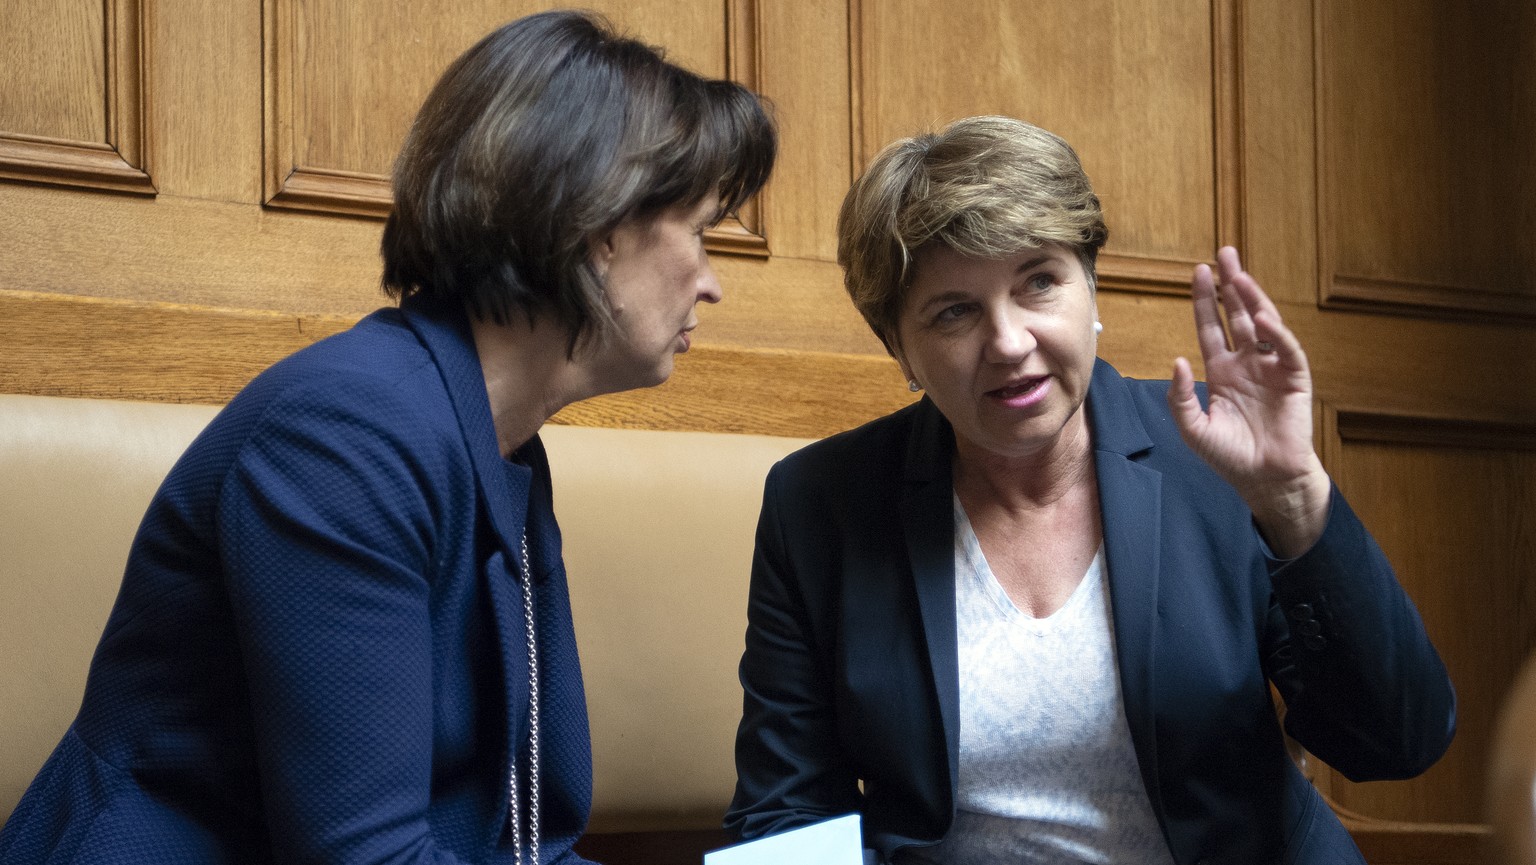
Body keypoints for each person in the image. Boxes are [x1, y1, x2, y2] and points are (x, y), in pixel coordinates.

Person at [0, 11, 774, 864]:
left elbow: (521, 841)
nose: (712, 284)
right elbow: (364, 855)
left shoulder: (496, 444)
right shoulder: (344, 436)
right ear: (598, 231)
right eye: (701, 231)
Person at [725, 116, 1451, 864]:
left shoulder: (1218, 454)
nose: (1009, 342)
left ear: (1091, 287)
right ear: (899, 348)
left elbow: (1398, 743)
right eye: (954, 311)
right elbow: (785, 811)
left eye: (1039, 282)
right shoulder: (820, 503)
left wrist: (1294, 503)